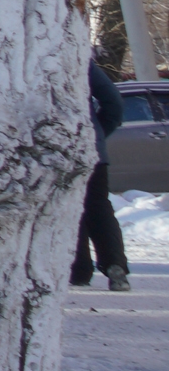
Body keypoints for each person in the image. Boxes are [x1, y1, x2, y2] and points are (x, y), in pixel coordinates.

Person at [75, 27, 134, 293]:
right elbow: (113, 102)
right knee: (99, 206)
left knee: (66, 208)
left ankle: (78, 268)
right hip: (91, 149)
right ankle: (115, 266)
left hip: (54, 147)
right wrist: (97, 132)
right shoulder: (79, 61)